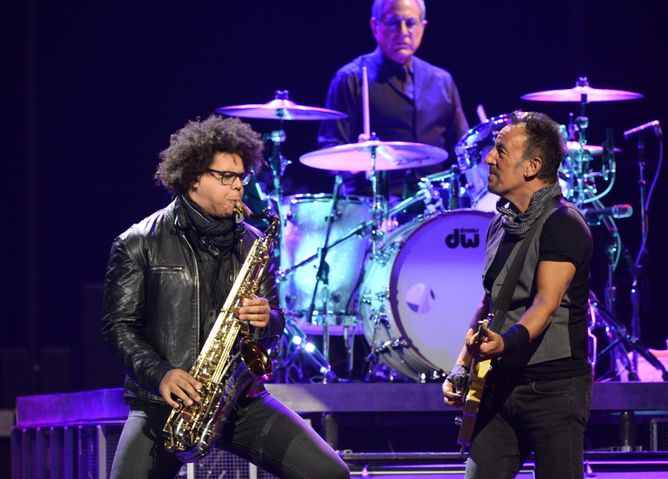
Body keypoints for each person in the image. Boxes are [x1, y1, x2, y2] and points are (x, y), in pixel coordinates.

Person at [101, 115, 350, 479]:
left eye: (242, 177)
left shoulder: (252, 241)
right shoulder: (139, 242)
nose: (239, 188)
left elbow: (275, 322)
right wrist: (162, 375)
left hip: (240, 400)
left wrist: (269, 319)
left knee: (332, 474)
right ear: (192, 177)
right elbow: (117, 328)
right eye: (226, 177)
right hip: (164, 404)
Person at [442, 111, 593, 479]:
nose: (488, 159)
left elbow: (545, 304)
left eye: (500, 151)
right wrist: (462, 366)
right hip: (500, 384)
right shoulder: (501, 221)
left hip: (553, 390)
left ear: (532, 166)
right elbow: (489, 303)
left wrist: (505, 344)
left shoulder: (564, 223)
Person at [317, 0, 468, 198]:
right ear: (375, 26)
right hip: (375, 205)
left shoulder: (442, 80)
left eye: (411, 23)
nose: (403, 31)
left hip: (434, 205)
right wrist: (355, 158)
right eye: (394, 23)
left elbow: (463, 146)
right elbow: (329, 148)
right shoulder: (351, 78)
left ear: (422, 27)